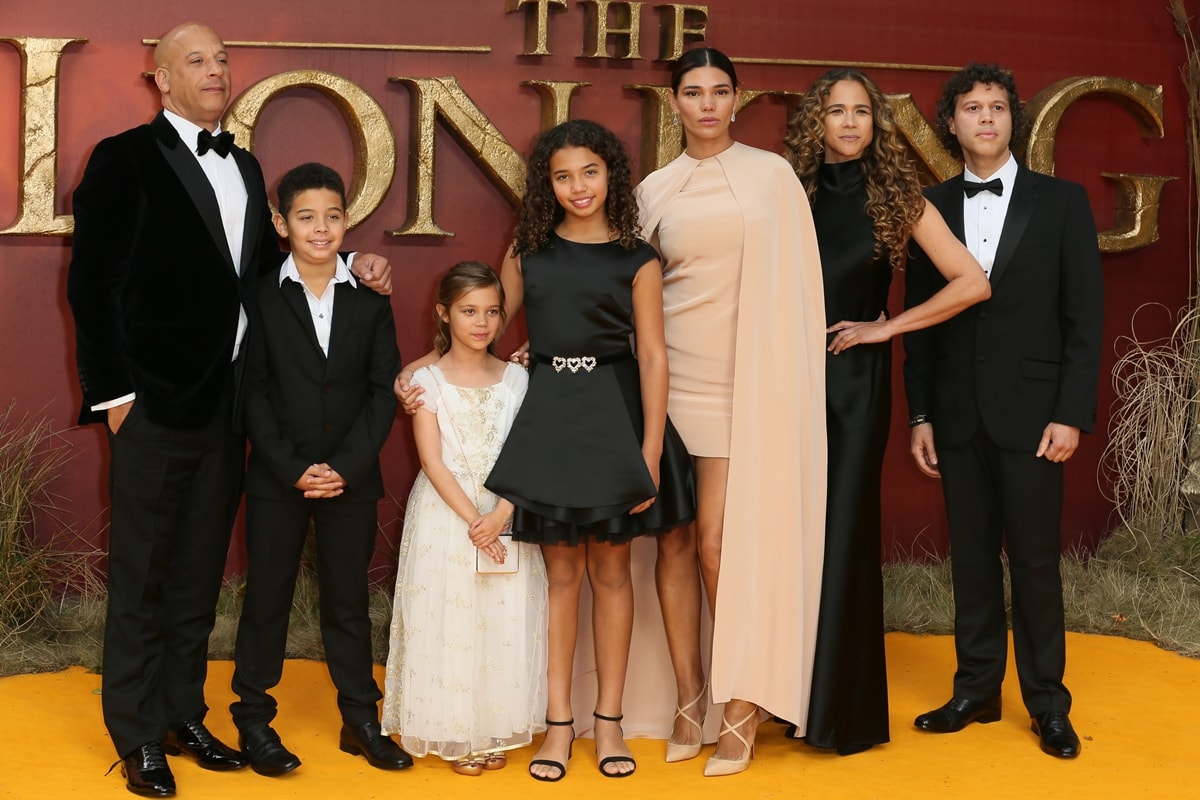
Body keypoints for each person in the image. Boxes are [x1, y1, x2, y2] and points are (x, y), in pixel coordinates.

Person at [65, 22, 391, 797]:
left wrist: (351, 261)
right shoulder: (123, 159)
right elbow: (92, 286)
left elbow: (273, 266)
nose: (215, 71)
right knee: (143, 575)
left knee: (199, 575)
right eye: (196, 62)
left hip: (230, 409)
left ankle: (183, 713)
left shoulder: (245, 164)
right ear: (161, 80)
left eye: (221, 59)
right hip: (151, 407)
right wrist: (116, 397)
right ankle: (137, 734)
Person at [781, 68, 990, 755]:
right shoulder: (788, 190)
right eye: (835, 110)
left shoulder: (896, 195)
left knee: (841, 530)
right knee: (787, 535)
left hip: (851, 379)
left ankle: (840, 712)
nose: (848, 122)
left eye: (861, 111)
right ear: (815, 120)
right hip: (780, 376)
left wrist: (884, 328)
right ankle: (780, 697)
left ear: (877, 123)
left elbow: (972, 282)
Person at [903, 63, 1104, 759]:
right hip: (956, 417)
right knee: (972, 564)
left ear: (1011, 119)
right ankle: (976, 691)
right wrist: (920, 414)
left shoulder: (1063, 203)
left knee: (1036, 563)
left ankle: (1049, 703)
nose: (985, 118)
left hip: (1035, 417)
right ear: (950, 123)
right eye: (971, 107)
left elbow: (1084, 320)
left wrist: (1071, 413)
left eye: (996, 107)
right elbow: (919, 320)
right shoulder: (927, 205)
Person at [484, 119, 695, 781]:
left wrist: (652, 449)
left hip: (617, 417)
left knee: (611, 575)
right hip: (550, 419)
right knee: (561, 577)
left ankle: (611, 724)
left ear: (613, 176)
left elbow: (655, 356)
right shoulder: (527, 250)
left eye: (591, 172)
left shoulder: (638, 257)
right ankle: (558, 727)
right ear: (547, 184)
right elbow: (487, 329)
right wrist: (427, 371)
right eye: (563, 175)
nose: (579, 187)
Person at [635, 47, 827, 776]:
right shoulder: (656, 188)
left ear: (739, 100)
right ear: (674, 103)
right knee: (674, 541)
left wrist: (787, 381)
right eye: (693, 92)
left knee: (718, 543)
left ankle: (742, 703)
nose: (707, 104)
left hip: (743, 382)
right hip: (669, 379)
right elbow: (626, 287)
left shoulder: (773, 177)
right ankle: (691, 696)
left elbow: (801, 288)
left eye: (720, 91)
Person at [230, 163, 408, 775]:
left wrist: (347, 466)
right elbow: (251, 390)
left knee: (347, 601)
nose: (321, 228)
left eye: (333, 216)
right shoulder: (258, 292)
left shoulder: (369, 294)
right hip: (280, 477)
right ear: (281, 223)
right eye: (306, 217)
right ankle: (253, 719)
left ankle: (360, 718)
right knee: (268, 599)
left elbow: (383, 388)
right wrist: (292, 467)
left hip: (351, 478)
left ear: (347, 221)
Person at [380, 261, 547, 777]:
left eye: (492, 312)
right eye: (469, 311)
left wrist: (503, 512)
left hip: (507, 510)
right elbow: (432, 460)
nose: (482, 323)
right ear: (443, 314)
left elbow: (531, 451)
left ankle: (494, 725)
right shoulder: (423, 380)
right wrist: (475, 519)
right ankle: (455, 728)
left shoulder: (518, 378)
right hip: (447, 516)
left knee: (501, 615)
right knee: (449, 618)